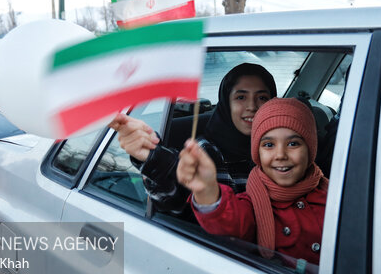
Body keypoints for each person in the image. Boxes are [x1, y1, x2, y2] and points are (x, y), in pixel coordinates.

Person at [109, 63, 277, 214]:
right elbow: (180, 199)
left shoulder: (283, 146)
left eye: (262, 98)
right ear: (226, 103)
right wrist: (154, 158)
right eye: (241, 97)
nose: (252, 106)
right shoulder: (206, 152)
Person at [176, 98, 328, 265]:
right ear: (257, 153)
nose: (280, 155)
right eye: (269, 144)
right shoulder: (253, 204)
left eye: (293, 143)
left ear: (310, 148)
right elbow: (230, 223)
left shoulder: (335, 194)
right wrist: (206, 190)